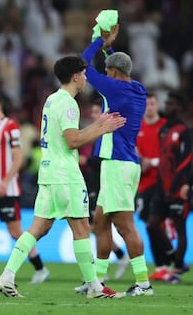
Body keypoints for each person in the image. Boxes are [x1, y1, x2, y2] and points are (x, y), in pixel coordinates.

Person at [0, 55, 126, 298]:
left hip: (48, 173)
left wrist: (98, 124)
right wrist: (101, 128)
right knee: (82, 229)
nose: (86, 78)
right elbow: (72, 140)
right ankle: (95, 287)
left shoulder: (51, 99)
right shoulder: (67, 103)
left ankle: (7, 276)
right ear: (76, 76)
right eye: (84, 74)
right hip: (65, 174)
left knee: (38, 228)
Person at [81, 24, 153, 296]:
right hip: (123, 163)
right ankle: (96, 282)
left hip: (118, 163)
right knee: (100, 221)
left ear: (112, 73)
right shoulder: (137, 89)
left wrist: (99, 41)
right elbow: (115, 67)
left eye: (108, 70)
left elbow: (82, 65)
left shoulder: (114, 89)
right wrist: (110, 49)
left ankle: (143, 284)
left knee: (124, 225)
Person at [0, 91, 50, 285]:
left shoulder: (10, 126)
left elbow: (18, 157)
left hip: (7, 190)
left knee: (15, 232)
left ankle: (40, 268)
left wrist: (5, 181)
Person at [78, 98, 130, 282]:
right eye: (92, 113)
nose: (94, 116)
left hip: (102, 184)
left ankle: (103, 271)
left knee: (97, 227)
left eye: (96, 112)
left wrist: (86, 161)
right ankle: (117, 258)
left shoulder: (106, 134)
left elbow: (103, 159)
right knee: (95, 227)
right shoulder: (96, 134)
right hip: (93, 183)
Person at [145, 92, 191, 281]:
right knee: (151, 225)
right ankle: (174, 257)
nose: (167, 106)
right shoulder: (164, 130)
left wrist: (184, 185)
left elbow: (187, 160)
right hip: (161, 186)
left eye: (171, 103)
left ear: (179, 108)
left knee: (180, 227)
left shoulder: (185, 131)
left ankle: (178, 267)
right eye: (167, 103)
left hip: (179, 188)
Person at [135, 93, 176, 282]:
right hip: (143, 185)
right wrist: (139, 161)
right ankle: (161, 266)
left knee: (159, 225)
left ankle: (170, 264)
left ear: (157, 105)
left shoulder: (166, 127)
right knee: (149, 225)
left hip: (163, 185)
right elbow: (133, 150)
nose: (150, 107)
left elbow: (172, 156)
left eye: (152, 103)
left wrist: (150, 162)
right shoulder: (137, 127)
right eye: (147, 104)